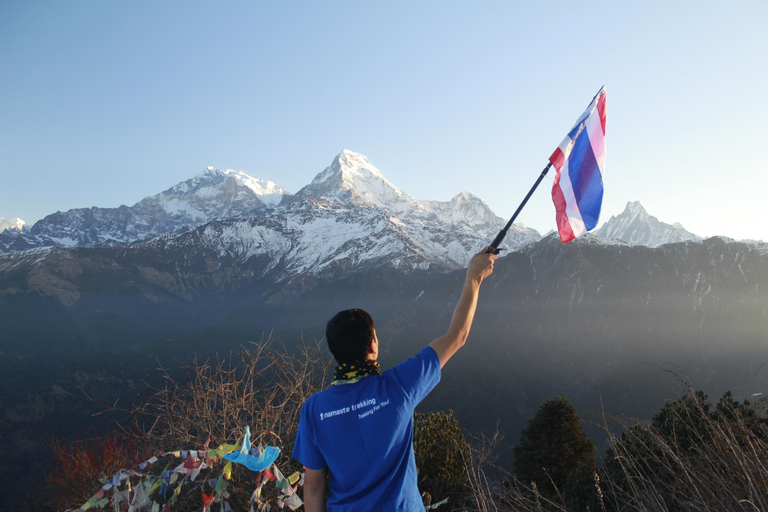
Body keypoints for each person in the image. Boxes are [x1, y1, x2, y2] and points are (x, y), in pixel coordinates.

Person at [292, 247, 497, 511]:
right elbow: (457, 336)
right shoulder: (399, 386)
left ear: (335, 352)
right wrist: (474, 277)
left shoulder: (313, 410)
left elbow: (314, 486)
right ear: (372, 344)